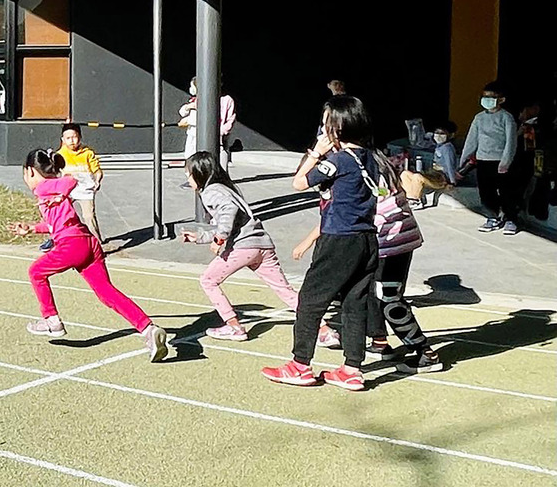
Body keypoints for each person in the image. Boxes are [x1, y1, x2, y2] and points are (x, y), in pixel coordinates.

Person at [263, 94, 381, 391]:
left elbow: (299, 182)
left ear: (336, 128)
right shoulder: (371, 157)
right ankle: (352, 368)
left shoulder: (338, 161)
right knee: (355, 303)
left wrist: (316, 152)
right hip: (366, 239)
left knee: (311, 300)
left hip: (338, 239)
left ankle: (300, 365)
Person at [9, 149, 169, 361]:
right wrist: (31, 228)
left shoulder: (44, 188)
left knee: (36, 272)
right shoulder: (48, 193)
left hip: (72, 244)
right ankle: (148, 329)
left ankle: (51, 321)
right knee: (106, 293)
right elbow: (55, 224)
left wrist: (62, 192)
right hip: (88, 243)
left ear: (30, 171)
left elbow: (70, 181)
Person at [178, 152, 299, 340]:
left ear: (200, 173)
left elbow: (228, 213)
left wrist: (219, 239)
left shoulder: (211, 191)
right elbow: (232, 222)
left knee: (208, 281)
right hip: (262, 244)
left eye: (189, 174)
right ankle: (324, 330)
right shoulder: (226, 188)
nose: (188, 178)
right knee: (284, 290)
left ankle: (234, 327)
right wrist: (201, 237)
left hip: (243, 247)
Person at [366, 157, 444, 373]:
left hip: (390, 240)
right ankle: (382, 341)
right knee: (382, 295)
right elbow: (383, 194)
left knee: (388, 297)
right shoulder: (378, 162)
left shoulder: (366, 164)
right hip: (396, 238)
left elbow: (379, 198)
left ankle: (426, 353)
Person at [458, 84, 518, 234]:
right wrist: (464, 159)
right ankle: (492, 217)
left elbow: (511, 142)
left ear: (501, 99)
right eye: (485, 97)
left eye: (491, 97)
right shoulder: (479, 118)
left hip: (500, 161)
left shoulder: (506, 117)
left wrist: (506, 161)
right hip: (483, 159)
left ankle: (510, 218)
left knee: (506, 191)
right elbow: (472, 139)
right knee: (486, 191)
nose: (487, 100)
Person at [58, 123, 103, 246]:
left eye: (74, 137)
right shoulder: (60, 154)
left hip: (85, 190)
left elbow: (97, 171)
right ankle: (57, 240)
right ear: (63, 140)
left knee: (89, 216)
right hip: (68, 190)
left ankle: (96, 243)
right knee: (60, 213)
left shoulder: (87, 153)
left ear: (80, 137)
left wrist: (97, 181)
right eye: (68, 138)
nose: (72, 141)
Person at [400, 121, 457, 207]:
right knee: (405, 174)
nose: (438, 135)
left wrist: (452, 182)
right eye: (436, 133)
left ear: (450, 135)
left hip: (441, 179)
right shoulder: (438, 145)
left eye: (442, 133)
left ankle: (416, 200)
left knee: (417, 177)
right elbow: (421, 143)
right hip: (433, 174)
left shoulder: (447, 148)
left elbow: (450, 166)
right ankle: (410, 197)